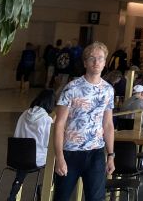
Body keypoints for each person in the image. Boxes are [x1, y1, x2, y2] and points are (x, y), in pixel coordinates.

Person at [52, 42, 115, 201]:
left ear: (105, 62)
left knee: (96, 198)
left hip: (96, 153)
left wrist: (111, 155)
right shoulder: (71, 88)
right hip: (70, 153)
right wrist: (59, 157)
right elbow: (59, 125)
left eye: (100, 58)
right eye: (92, 58)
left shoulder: (108, 90)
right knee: (62, 197)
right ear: (85, 62)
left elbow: (107, 124)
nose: (96, 62)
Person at [8, 90, 54, 201]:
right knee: (57, 161)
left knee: (24, 161)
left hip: (16, 157)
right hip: (35, 160)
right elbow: (47, 143)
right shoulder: (46, 119)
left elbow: (17, 134)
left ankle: (13, 195)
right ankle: (45, 189)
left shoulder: (24, 113)